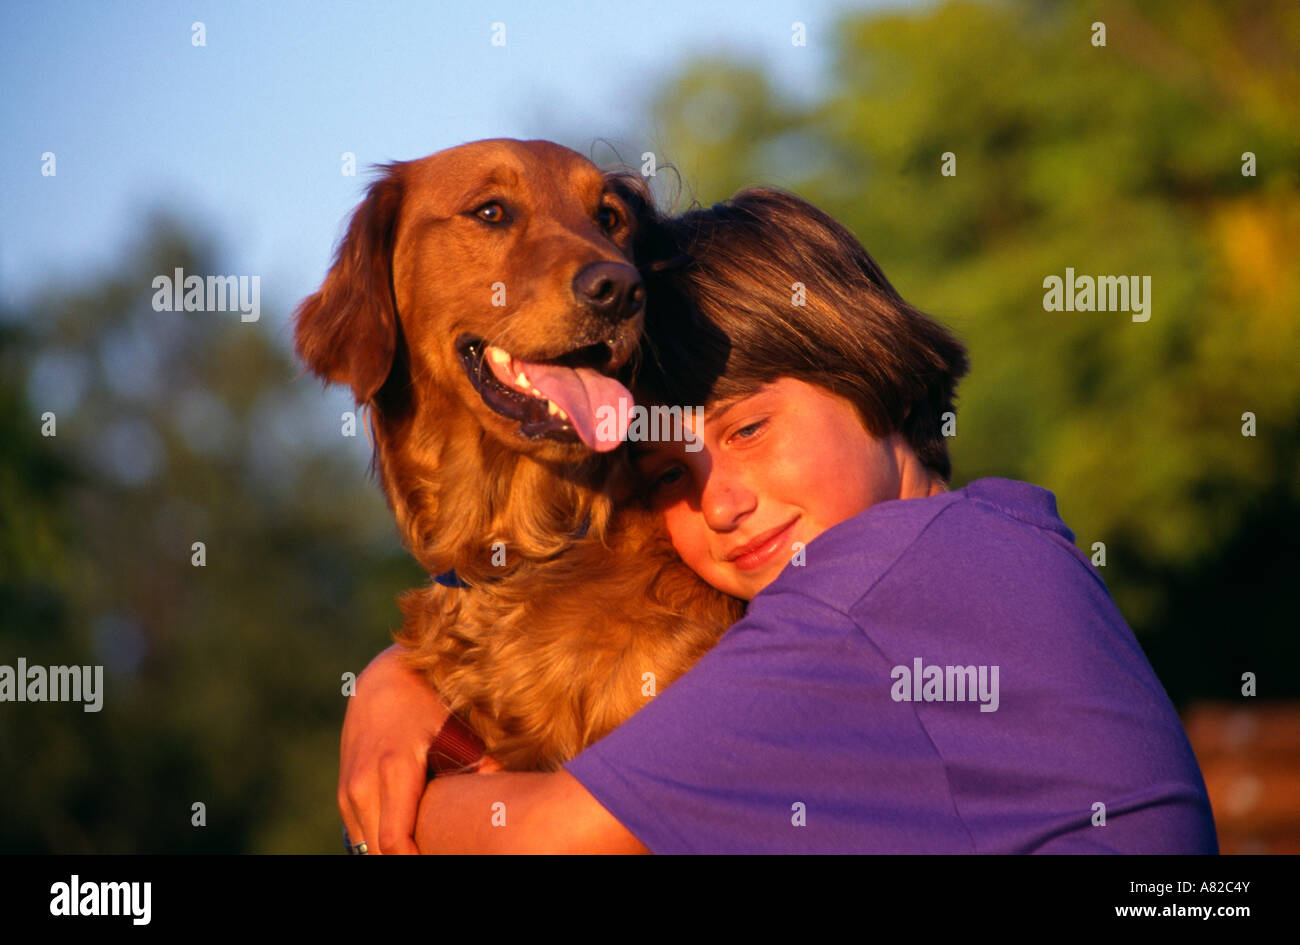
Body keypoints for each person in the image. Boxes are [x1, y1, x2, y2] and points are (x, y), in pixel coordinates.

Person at [338, 187, 1218, 854]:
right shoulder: (997, 534)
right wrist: (400, 672)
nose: (722, 500)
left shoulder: (883, 584)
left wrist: (406, 782)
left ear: (858, 357)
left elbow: (546, 839)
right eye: (667, 474)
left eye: (749, 428)